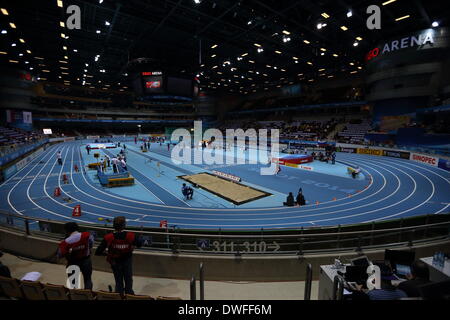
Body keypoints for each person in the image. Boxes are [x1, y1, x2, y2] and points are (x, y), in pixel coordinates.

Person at [95, 216, 142, 295]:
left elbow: (98, 252)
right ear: (124, 225)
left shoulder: (108, 237)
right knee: (128, 279)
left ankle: (119, 294)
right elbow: (140, 244)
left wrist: (107, 254)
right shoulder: (131, 236)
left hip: (115, 262)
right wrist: (133, 245)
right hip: (127, 261)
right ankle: (129, 294)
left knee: (118, 279)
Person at [57, 222, 94, 290]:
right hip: (86, 260)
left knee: (73, 282)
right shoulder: (87, 235)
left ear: (67, 231)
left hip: (72, 262)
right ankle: (88, 295)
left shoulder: (65, 242)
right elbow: (91, 243)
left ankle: (75, 295)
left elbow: (60, 255)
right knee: (88, 280)